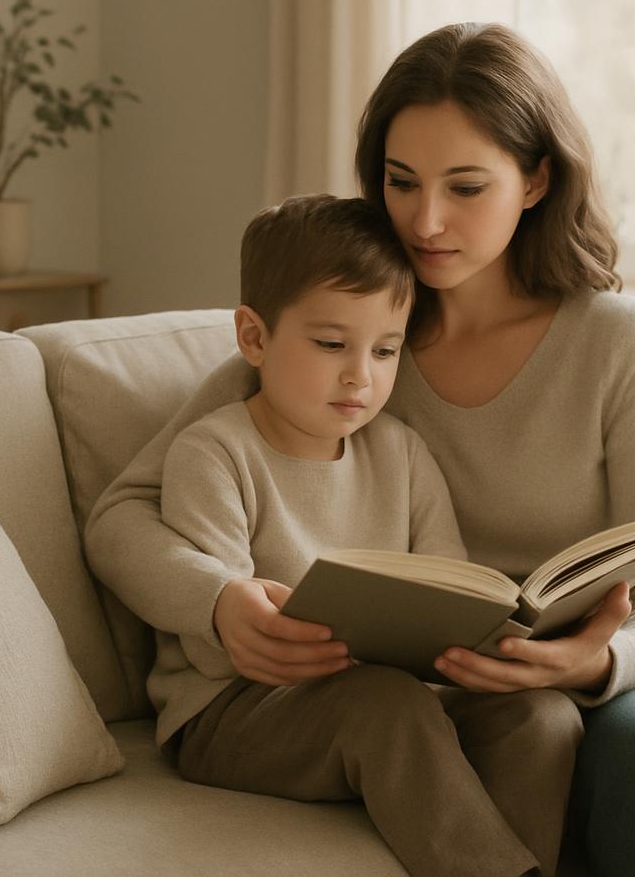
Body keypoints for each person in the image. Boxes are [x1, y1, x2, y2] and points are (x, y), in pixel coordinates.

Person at [87, 22, 635, 877]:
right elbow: (122, 517)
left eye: (466, 187)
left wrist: (597, 662)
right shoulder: (351, 338)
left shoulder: (617, 341)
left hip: (626, 676)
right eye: (402, 183)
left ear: (536, 180)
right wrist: (217, 600)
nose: (426, 220)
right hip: (415, 687)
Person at [99, 192, 583, 877]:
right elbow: (217, 654)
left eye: (386, 349)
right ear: (254, 338)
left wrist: (491, 637)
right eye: (332, 345)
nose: (362, 374)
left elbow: (447, 589)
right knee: (382, 705)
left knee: (542, 719)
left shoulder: (403, 454)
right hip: (231, 713)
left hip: (386, 696)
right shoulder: (215, 451)